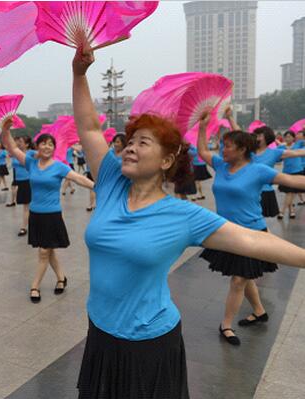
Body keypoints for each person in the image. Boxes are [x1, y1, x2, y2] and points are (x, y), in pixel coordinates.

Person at [73, 44, 305, 398]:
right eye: (129, 141)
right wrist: (79, 74)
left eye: (143, 142)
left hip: (147, 343)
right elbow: (89, 128)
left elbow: (253, 241)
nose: (130, 147)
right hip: (100, 331)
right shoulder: (109, 181)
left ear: (167, 161)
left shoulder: (183, 215)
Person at [197, 117, 305, 345]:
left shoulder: (258, 170)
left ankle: (225, 325)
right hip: (227, 233)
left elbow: (291, 181)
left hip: (253, 234)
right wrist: (204, 126)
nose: (222, 149)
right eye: (223, 145)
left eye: (227, 146)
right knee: (245, 276)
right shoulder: (220, 165)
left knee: (239, 279)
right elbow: (203, 151)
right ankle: (259, 310)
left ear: (242, 149)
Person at [1, 120, 94, 303]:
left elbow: (77, 178)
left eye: (51, 144)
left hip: (52, 215)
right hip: (36, 215)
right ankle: (61, 278)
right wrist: (5, 129)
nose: (47, 146)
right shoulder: (31, 163)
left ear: (54, 148)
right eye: (44, 143)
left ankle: (35, 286)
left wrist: (98, 187)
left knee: (44, 252)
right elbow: (12, 148)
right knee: (49, 251)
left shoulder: (59, 166)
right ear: (37, 146)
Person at [252, 126, 305, 217]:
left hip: (265, 192)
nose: (256, 137)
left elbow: (297, 152)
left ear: (266, 138)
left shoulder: (274, 152)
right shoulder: (247, 152)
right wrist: (230, 118)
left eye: (259, 135)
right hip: (248, 190)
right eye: (256, 135)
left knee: (258, 221)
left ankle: (285, 212)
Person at [9, 136, 34, 235]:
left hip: (28, 180)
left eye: (21, 141)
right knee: (27, 205)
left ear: (27, 144)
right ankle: (29, 224)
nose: (18, 143)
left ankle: (24, 227)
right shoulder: (16, 153)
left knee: (27, 205)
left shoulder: (31, 153)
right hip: (20, 181)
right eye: (17, 141)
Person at [277, 131, 305, 219]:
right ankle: (291, 211)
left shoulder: (298, 144)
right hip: (286, 172)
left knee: (290, 192)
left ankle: (282, 211)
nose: (288, 138)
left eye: (289, 137)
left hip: (297, 171)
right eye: (286, 137)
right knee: (289, 193)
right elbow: (278, 159)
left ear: (293, 138)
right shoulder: (281, 147)